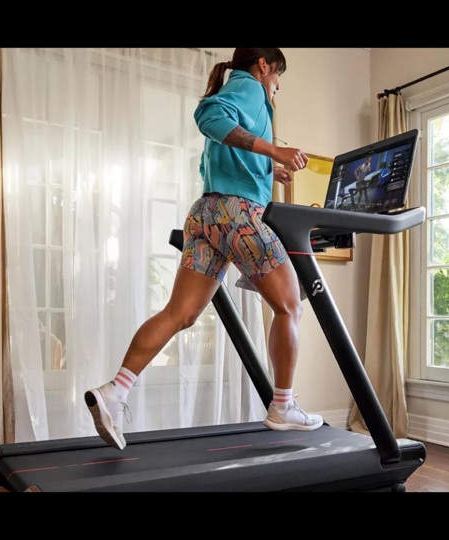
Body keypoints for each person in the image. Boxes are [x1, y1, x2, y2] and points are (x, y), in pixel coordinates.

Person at [84, 48, 323, 450]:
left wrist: (269, 169)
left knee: (180, 313)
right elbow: (208, 118)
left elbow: (222, 153)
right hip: (238, 213)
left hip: (206, 214)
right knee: (289, 305)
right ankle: (283, 405)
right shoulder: (249, 87)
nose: (277, 85)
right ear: (264, 65)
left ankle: (115, 391)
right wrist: (274, 150)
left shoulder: (239, 91)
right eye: (278, 75)